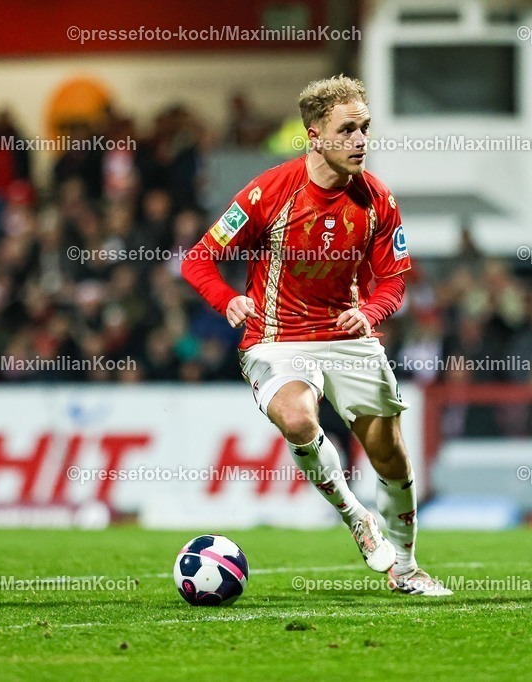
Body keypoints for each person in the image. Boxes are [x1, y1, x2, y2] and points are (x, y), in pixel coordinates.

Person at [181, 75, 451, 596]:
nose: (360, 140)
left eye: (365, 129)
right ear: (314, 134)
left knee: (390, 455)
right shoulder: (269, 192)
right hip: (276, 338)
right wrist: (228, 299)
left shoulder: (376, 200)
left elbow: (394, 278)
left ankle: (408, 570)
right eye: (347, 129)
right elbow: (199, 260)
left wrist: (371, 311)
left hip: (347, 338)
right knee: (299, 417)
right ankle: (355, 516)